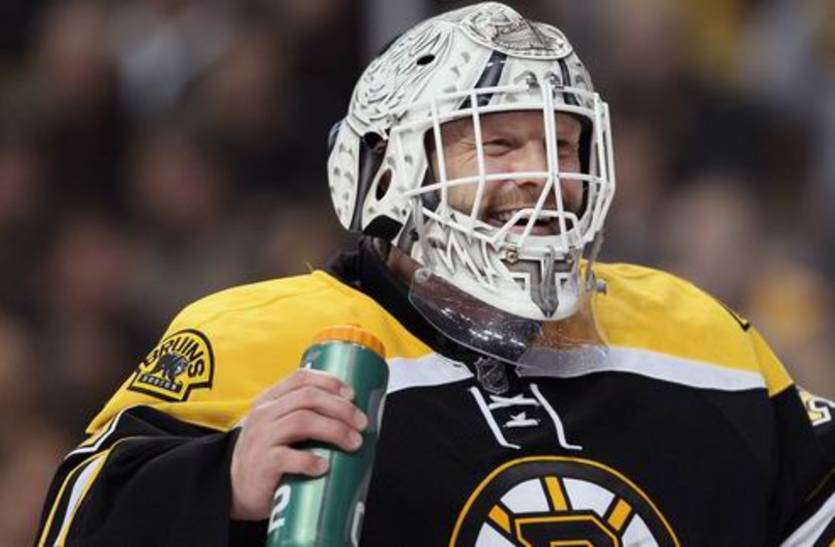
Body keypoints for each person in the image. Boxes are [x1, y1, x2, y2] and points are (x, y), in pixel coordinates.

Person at [35, 3, 834, 546]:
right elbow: (74, 521)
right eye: (498, 143)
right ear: (384, 173)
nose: (542, 173)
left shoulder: (692, 332)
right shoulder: (258, 336)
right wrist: (223, 482)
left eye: (562, 145)